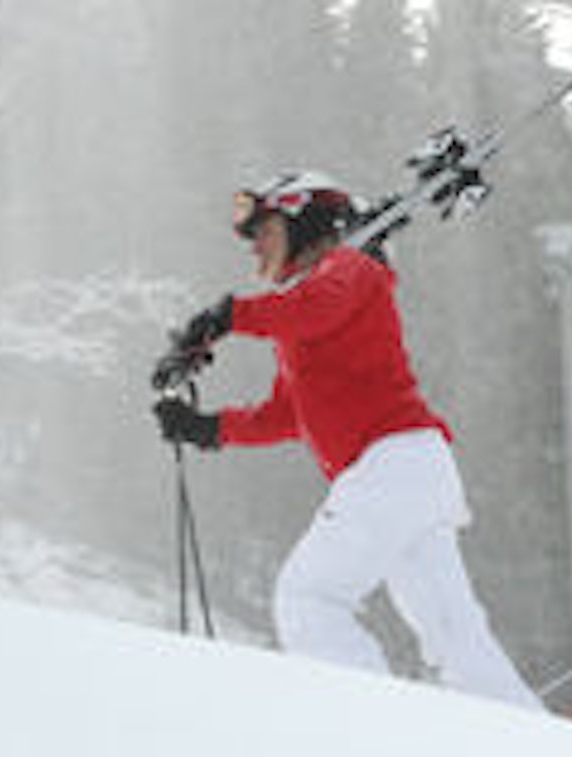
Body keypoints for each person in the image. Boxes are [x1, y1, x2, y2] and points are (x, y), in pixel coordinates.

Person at [152, 171, 542, 709]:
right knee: (454, 634)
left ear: (300, 220)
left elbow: (316, 310)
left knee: (308, 598)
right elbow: (286, 415)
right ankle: (528, 742)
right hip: (410, 472)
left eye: (263, 231)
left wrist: (225, 318)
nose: (255, 250)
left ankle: (372, 728)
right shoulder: (308, 305)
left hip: (391, 467)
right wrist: (206, 428)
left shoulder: (348, 268)